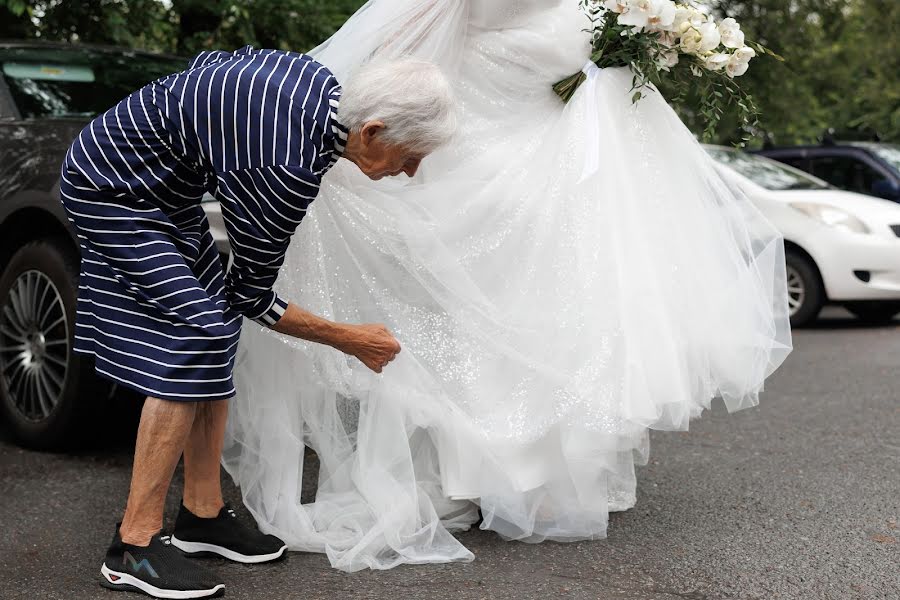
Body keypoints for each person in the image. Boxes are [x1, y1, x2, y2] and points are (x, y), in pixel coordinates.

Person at [222, 0, 793, 573]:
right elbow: (401, 44)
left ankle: (538, 477)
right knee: (489, 315)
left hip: (557, 154)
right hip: (483, 158)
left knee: (562, 308)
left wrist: (637, 42)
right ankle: (483, 473)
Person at [59, 48, 454, 597]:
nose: (409, 171)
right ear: (372, 130)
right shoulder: (283, 166)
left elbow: (216, 62)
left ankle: (201, 515)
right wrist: (352, 340)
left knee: (214, 318)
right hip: (110, 189)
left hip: (163, 191)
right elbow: (253, 298)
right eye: (409, 156)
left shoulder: (319, 86)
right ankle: (134, 545)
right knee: (204, 328)